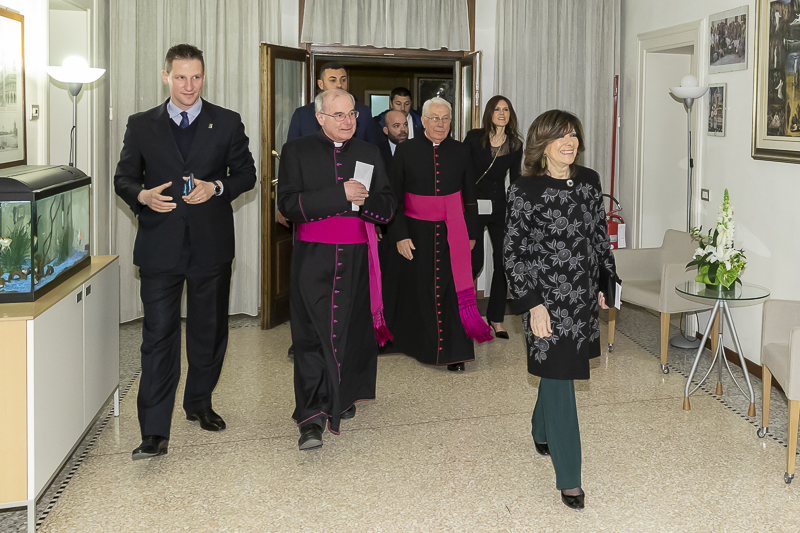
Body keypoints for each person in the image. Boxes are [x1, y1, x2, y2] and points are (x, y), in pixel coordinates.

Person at [114, 44, 257, 460]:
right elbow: (123, 178)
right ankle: (154, 431)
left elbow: (246, 174)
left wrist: (217, 188)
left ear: (204, 76)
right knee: (158, 338)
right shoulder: (141, 125)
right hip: (159, 248)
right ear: (165, 77)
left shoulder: (227, 122)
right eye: (180, 77)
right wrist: (141, 195)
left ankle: (199, 402)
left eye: (195, 77)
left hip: (211, 246)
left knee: (208, 332)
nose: (189, 85)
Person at [503, 110, 617, 510]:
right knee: (560, 378)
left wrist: (606, 283)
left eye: (573, 135)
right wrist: (531, 303)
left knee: (557, 372)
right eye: (560, 136)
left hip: (582, 297)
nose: (569, 142)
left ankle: (540, 427)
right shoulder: (524, 188)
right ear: (542, 143)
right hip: (545, 299)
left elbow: (598, 235)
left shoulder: (588, 181)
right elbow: (513, 252)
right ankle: (570, 478)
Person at [277, 89, 396, 451]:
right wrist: (340, 194)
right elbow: (289, 205)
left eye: (352, 115)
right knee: (312, 336)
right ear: (319, 118)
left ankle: (341, 396)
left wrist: (365, 201)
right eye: (338, 115)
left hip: (357, 258)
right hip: (313, 257)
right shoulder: (296, 151)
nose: (347, 122)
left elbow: (388, 207)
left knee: (349, 332)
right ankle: (311, 417)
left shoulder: (368, 152)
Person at [383, 97, 493, 373]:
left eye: (446, 118)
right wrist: (399, 235)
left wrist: (471, 233)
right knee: (421, 290)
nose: (441, 124)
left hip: (452, 229)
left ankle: (455, 350)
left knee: (451, 289)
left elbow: (470, 196)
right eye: (435, 118)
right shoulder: (405, 151)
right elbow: (393, 198)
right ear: (422, 121)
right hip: (416, 232)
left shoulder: (460, 150)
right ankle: (420, 345)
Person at [464, 95, 523, 340]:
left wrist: (519, 210)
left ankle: (496, 318)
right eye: (497, 109)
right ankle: (465, 314)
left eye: (506, 109)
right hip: (474, 206)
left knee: (503, 263)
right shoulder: (474, 138)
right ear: (489, 112)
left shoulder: (515, 144)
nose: (501, 113)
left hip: (501, 208)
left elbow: (516, 179)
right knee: (474, 262)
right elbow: (464, 172)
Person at [286, 62, 382, 145]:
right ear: (321, 84)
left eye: (343, 80)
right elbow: (292, 151)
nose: (339, 84)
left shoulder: (363, 111)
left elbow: (372, 148)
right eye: (333, 80)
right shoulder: (302, 114)